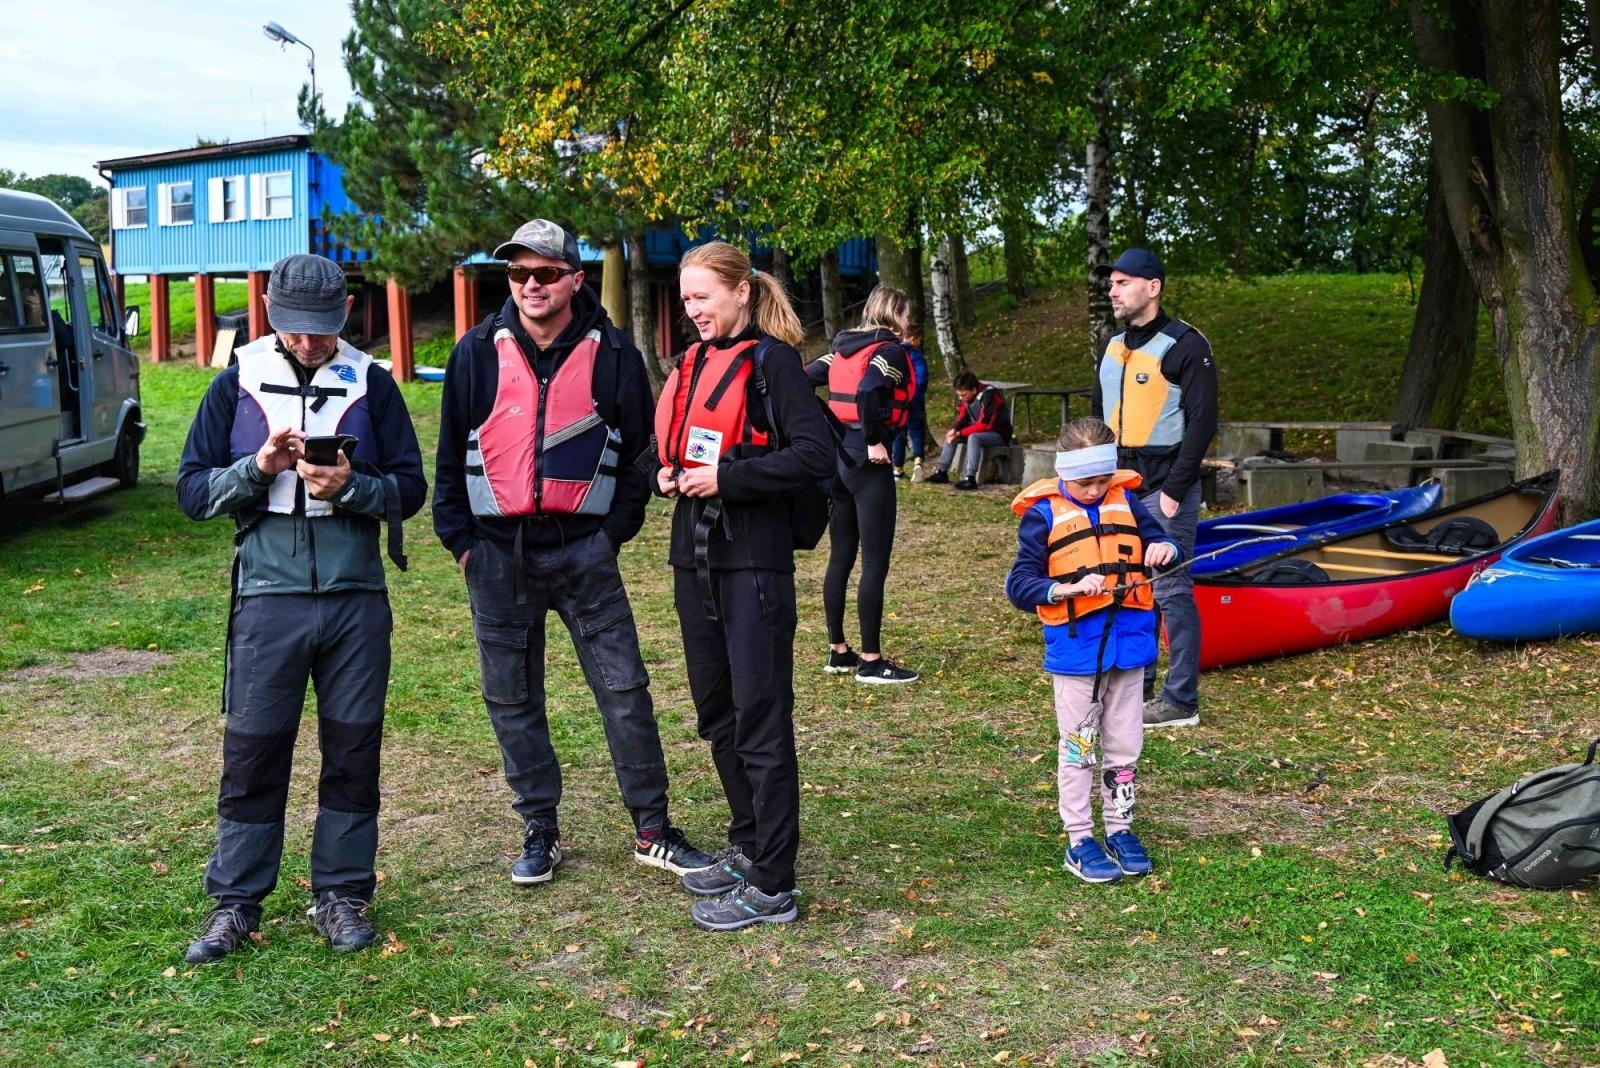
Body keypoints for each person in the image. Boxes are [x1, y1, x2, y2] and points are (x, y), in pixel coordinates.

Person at [434, 219, 714, 888]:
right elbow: (448, 462)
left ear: (574, 279)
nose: (531, 285)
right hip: (497, 557)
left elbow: (641, 459)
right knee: (512, 700)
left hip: (583, 554)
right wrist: (464, 546)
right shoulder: (474, 351)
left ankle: (652, 829)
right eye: (518, 274)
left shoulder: (613, 353)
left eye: (545, 273)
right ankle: (539, 830)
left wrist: (609, 536)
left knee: (625, 691)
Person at [175, 254, 426, 962]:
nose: (309, 344)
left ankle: (342, 892)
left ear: (344, 312)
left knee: (353, 749)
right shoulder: (234, 384)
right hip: (268, 598)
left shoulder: (372, 383)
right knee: (253, 753)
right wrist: (258, 469)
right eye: (295, 330)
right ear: (266, 308)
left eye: (321, 330)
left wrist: (351, 488)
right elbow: (192, 494)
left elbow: (411, 488)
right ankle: (235, 904)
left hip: (355, 601)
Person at [655, 241, 835, 930]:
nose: (693, 310)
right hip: (692, 560)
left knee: (760, 718)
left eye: (702, 297)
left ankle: (774, 882)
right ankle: (748, 841)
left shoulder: (776, 363)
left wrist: (727, 478)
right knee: (716, 711)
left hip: (753, 564)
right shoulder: (694, 363)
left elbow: (813, 454)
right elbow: (659, 449)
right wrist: (664, 475)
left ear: (740, 292)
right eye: (686, 300)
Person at [1005, 418, 1179, 883]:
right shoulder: (1042, 515)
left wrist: (1163, 549)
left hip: (1131, 648)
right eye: (1086, 482)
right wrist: (1064, 589)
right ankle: (1079, 839)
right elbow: (1021, 584)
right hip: (1078, 655)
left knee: (1125, 748)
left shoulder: (1126, 501)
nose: (1096, 489)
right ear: (1065, 473)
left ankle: (1120, 828)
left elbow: (1165, 541)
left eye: (1103, 480)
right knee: (1081, 748)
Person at [1090, 248, 1218, 729]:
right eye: (1112, 283)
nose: (1113, 291)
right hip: (1119, 486)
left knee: (1169, 589)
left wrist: (1172, 492)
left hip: (1166, 487)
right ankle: (1136, 688)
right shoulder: (1113, 345)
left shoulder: (1187, 345)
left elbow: (1202, 425)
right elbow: (1096, 418)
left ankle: (1180, 700)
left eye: (1123, 282)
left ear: (1153, 287)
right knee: (1128, 588)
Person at [806, 285, 919, 684]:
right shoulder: (889, 352)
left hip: (838, 458)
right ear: (896, 314)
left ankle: (839, 651)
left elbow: (804, 379)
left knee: (840, 556)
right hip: (866, 460)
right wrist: (873, 439)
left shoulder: (841, 349)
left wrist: (824, 429)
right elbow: (871, 389)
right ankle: (871, 661)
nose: (909, 323)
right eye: (906, 314)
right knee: (874, 562)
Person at [924, 370, 1013, 490]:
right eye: (959, 395)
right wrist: (955, 429)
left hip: (999, 434)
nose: (961, 398)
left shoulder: (989, 395)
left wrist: (961, 432)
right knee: (952, 436)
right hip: (981, 432)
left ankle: (970, 478)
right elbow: (963, 417)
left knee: (973, 437)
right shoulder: (967, 399)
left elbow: (985, 425)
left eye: (964, 395)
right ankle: (942, 472)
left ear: (974, 390)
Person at [890, 326, 930, 481]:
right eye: (919, 339)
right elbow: (922, 377)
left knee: (899, 434)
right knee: (916, 430)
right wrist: (917, 392)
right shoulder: (916, 355)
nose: (919, 343)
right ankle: (918, 461)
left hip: (898, 401)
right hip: (915, 399)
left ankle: (897, 469)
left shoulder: (895, 353)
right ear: (913, 338)